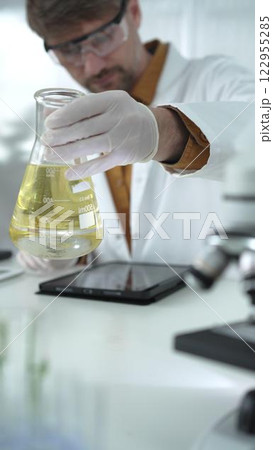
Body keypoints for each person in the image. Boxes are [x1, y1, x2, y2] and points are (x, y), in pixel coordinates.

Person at [17, 0, 254, 272]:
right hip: (117, 313)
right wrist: (64, 253)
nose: (92, 66)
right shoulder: (71, 120)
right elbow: (101, 249)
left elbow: (259, 133)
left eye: (103, 38)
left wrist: (163, 131)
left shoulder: (216, 79)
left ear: (134, 13)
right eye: (69, 51)